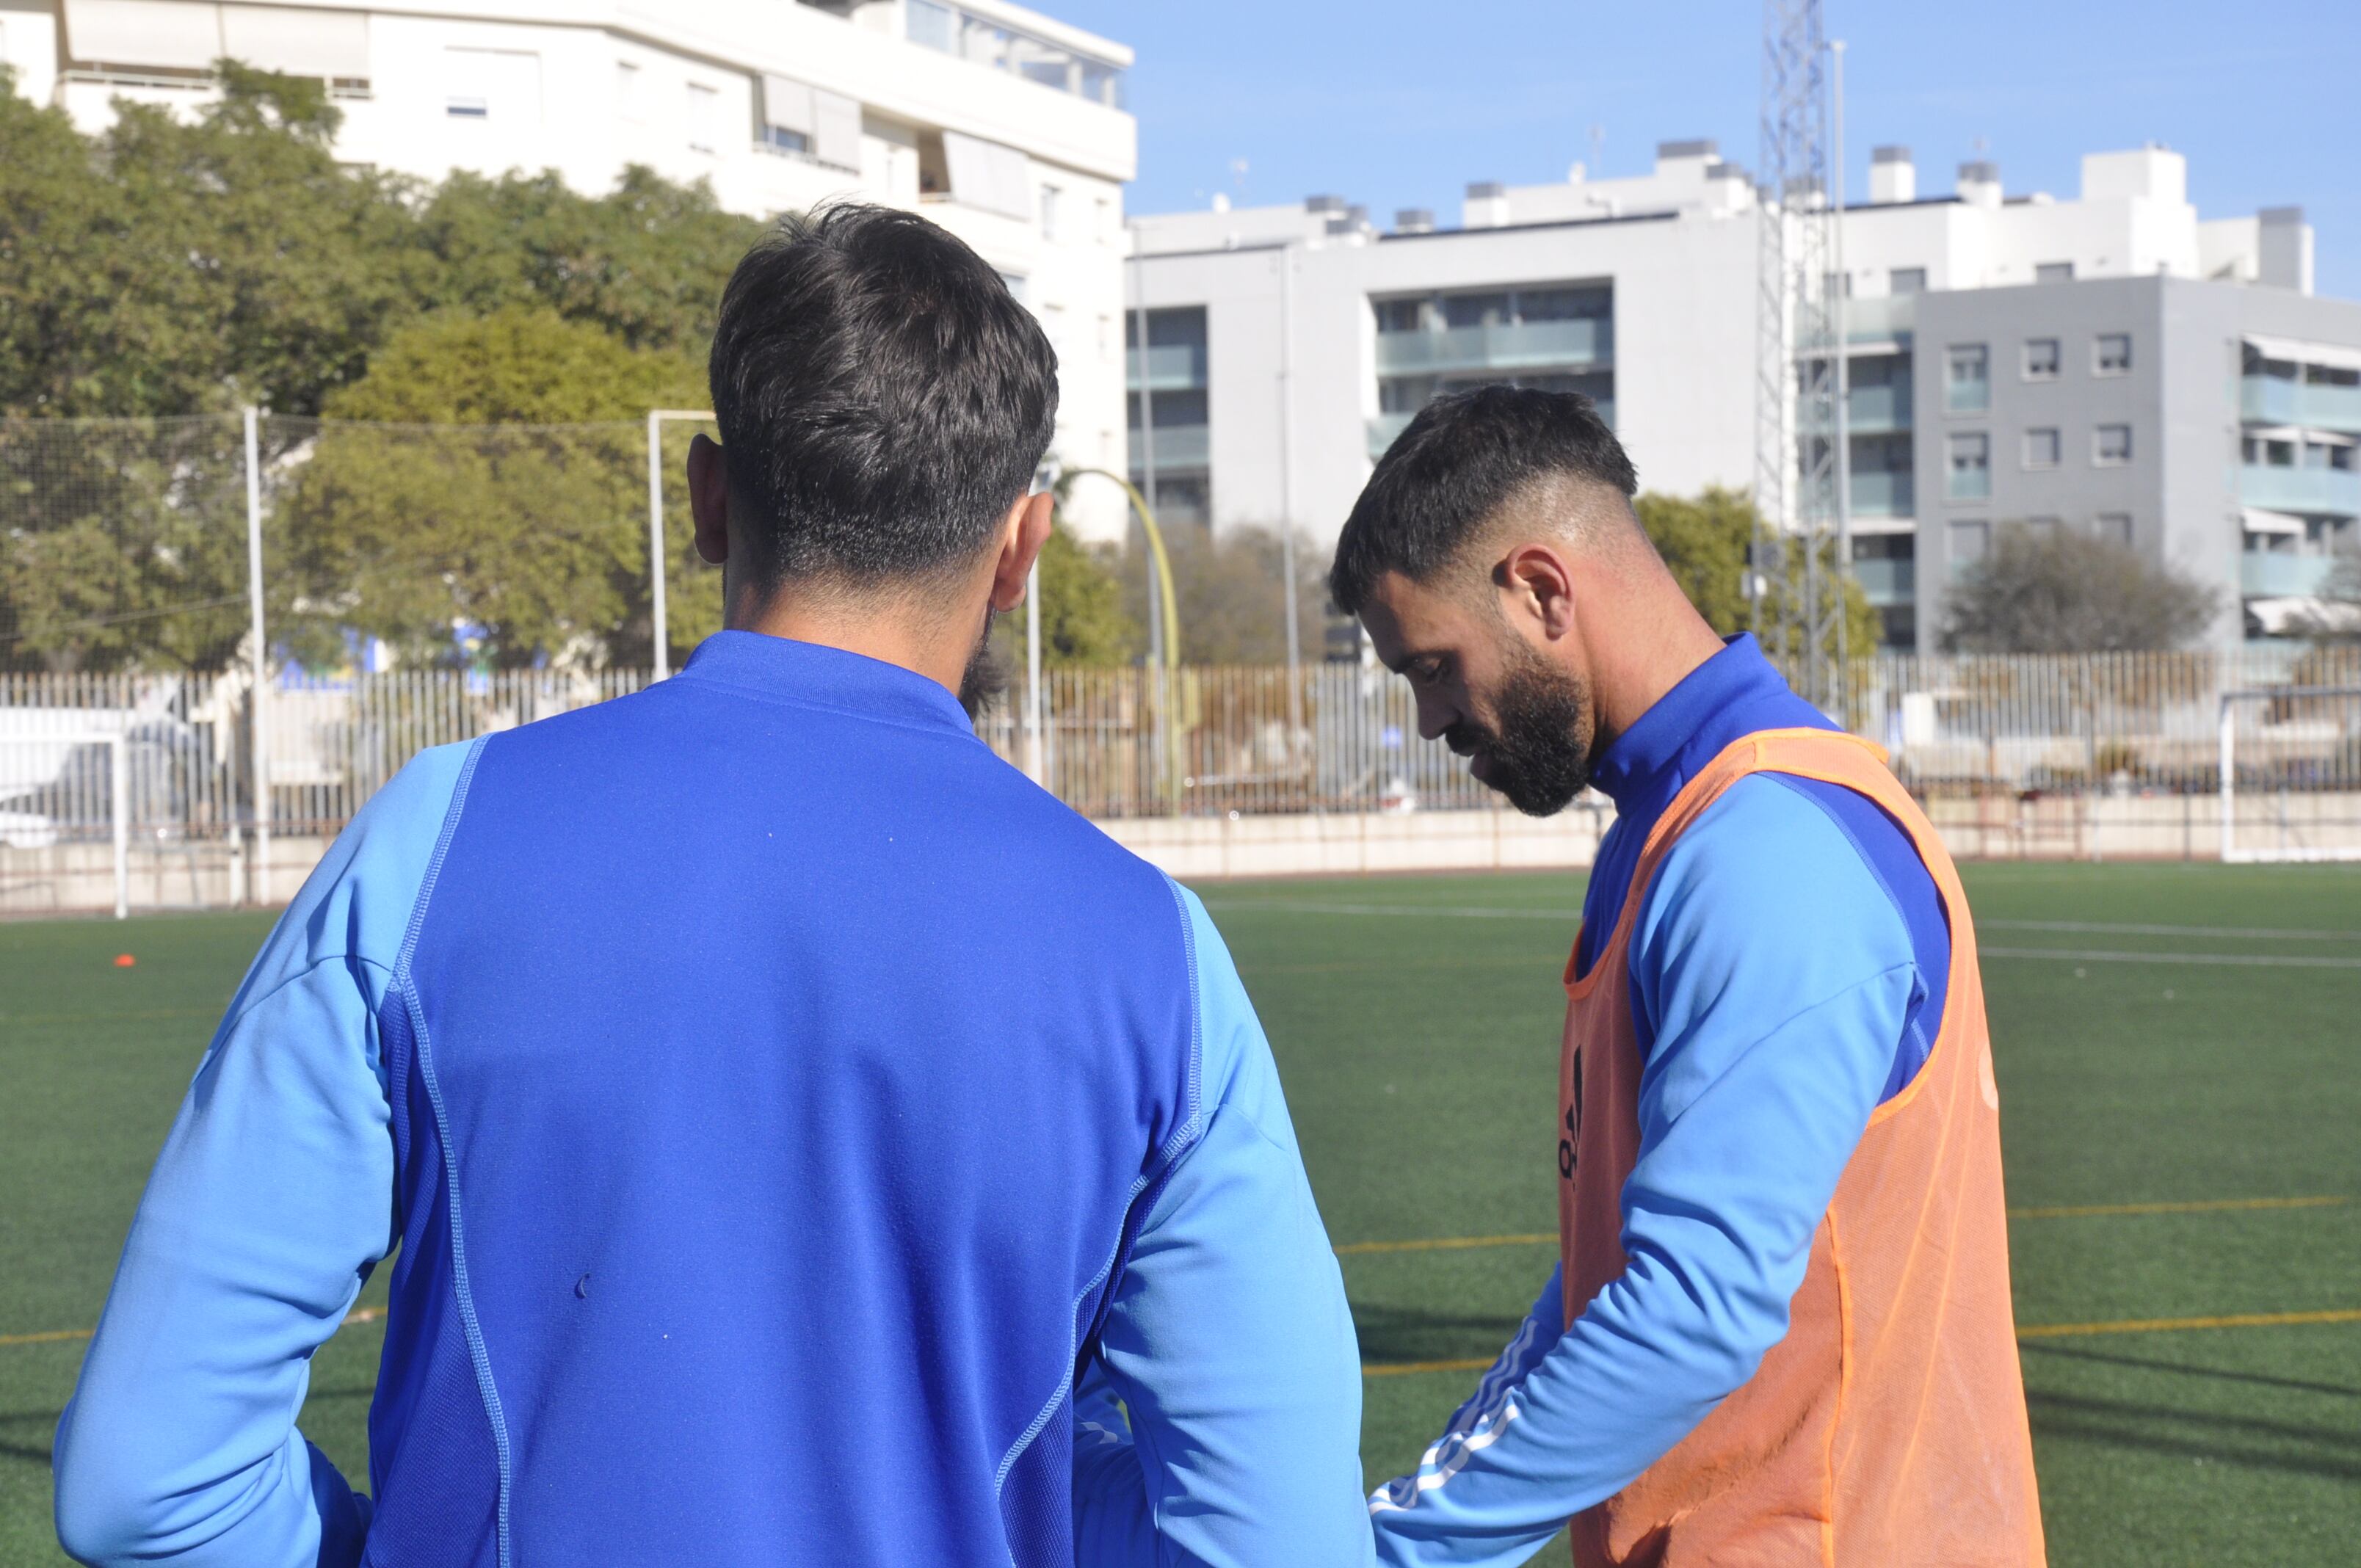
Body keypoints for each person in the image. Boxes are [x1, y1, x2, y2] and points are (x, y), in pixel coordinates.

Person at [54, 205, 1371, 1568]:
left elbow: (151, 1484)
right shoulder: (1153, 954)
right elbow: (1281, 1538)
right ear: (1023, 551)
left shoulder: (428, 847)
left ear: (706, 497)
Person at [1331, 386, 2045, 1567]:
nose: (1429, 720)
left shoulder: (1762, 850)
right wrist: (1411, 1516)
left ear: (1544, 590)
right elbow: (1613, 1276)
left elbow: (1692, 1313)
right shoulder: (1671, 829)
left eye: (1437, 666)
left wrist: (1407, 1553)